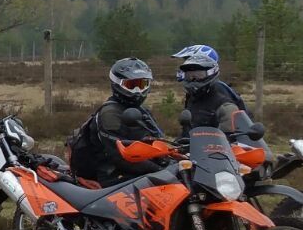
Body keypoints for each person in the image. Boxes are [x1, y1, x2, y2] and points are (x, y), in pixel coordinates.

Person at [68, 57, 167, 187]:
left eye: (142, 84)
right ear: (117, 84)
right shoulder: (110, 114)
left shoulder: (142, 110)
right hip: (114, 176)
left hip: (139, 170)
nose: (138, 90)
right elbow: (119, 156)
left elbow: (157, 140)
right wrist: (159, 170)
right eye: (131, 85)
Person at [173, 44, 250, 130]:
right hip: (197, 137)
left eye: (197, 73)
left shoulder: (221, 94)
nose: (193, 77)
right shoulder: (194, 96)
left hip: (222, 137)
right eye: (189, 73)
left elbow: (231, 129)